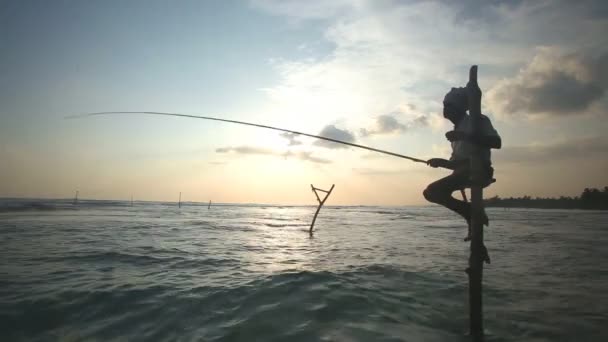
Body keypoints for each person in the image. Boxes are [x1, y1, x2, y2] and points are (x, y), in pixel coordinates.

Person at [424, 87, 501, 240]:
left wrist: (464, 136)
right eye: (445, 106)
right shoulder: (456, 129)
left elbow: (496, 142)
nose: (445, 109)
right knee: (430, 193)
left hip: (479, 170)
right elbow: (456, 164)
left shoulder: (478, 120)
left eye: (449, 106)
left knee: (432, 192)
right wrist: (440, 162)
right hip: (462, 172)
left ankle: (469, 212)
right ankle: (471, 215)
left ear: (460, 107)